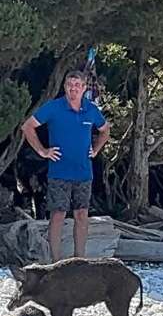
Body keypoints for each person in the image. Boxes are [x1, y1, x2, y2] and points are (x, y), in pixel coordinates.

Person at [20, 70, 110, 262]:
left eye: (77, 85)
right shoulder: (54, 107)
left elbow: (105, 130)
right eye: (70, 85)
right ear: (65, 87)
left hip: (83, 172)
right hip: (59, 172)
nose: (73, 89)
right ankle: (55, 262)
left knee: (81, 214)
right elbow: (27, 127)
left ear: (84, 88)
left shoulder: (91, 109)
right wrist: (43, 151)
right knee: (58, 215)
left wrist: (95, 150)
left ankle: (80, 260)